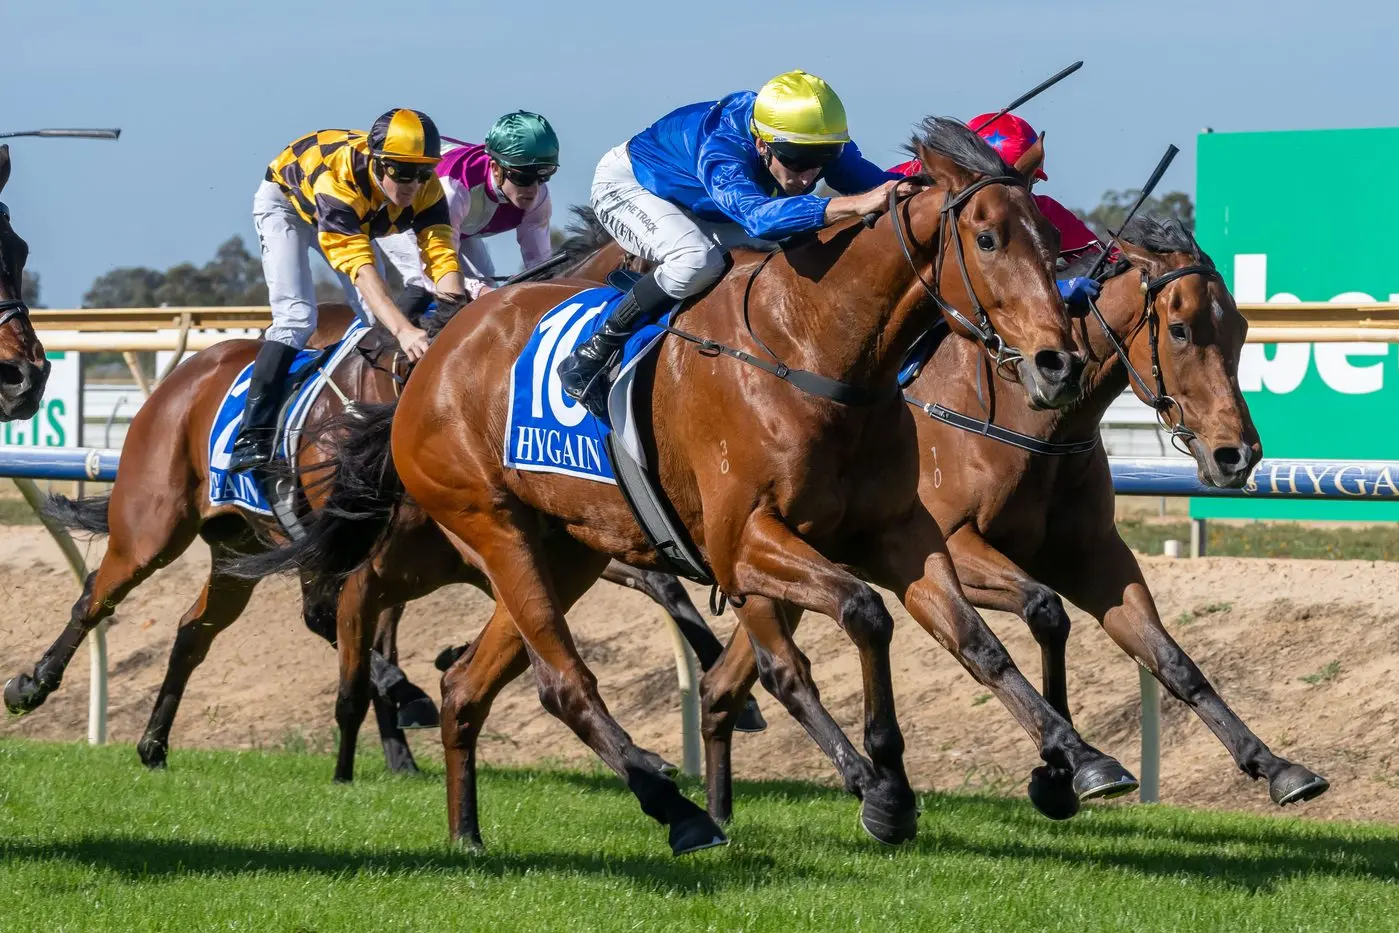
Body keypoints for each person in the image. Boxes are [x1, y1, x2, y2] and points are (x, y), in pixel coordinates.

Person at [557, 70, 910, 415]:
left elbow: (879, 186)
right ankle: (594, 351)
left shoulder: (810, 141)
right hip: (631, 186)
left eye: (824, 160)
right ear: (761, 143)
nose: (808, 176)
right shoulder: (723, 148)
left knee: (802, 241)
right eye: (796, 160)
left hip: (703, 201)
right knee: (696, 260)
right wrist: (853, 205)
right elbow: (759, 219)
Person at [229, 109, 467, 473]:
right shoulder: (339, 183)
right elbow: (361, 271)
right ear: (379, 163)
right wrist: (405, 331)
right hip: (288, 204)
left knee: (377, 322)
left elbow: (442, 259)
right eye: (403, 172)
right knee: (297, 318)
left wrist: (456, 320)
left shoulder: (426, 189)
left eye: (422, 172)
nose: (413, 185)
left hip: (358, 214)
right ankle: (253, 434)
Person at [888, 111, 1104, 311]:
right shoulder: (904, 184)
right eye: (1005, 180)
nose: (1021, 191)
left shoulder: (1042, 209)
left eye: (1030, 179)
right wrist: (1052, 288)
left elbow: (1107, 260)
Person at [380, 111, 559, 319]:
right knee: (424, 285)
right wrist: (480, 291)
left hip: (457, 225)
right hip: (405, 215)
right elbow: (435, 270)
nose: (534, 189)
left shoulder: (539, 198)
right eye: (524, 178)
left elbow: (541, 269)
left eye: (543, 176)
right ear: (496, 168)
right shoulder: (454, 189)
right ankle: (378, 337)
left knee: (486, 284)